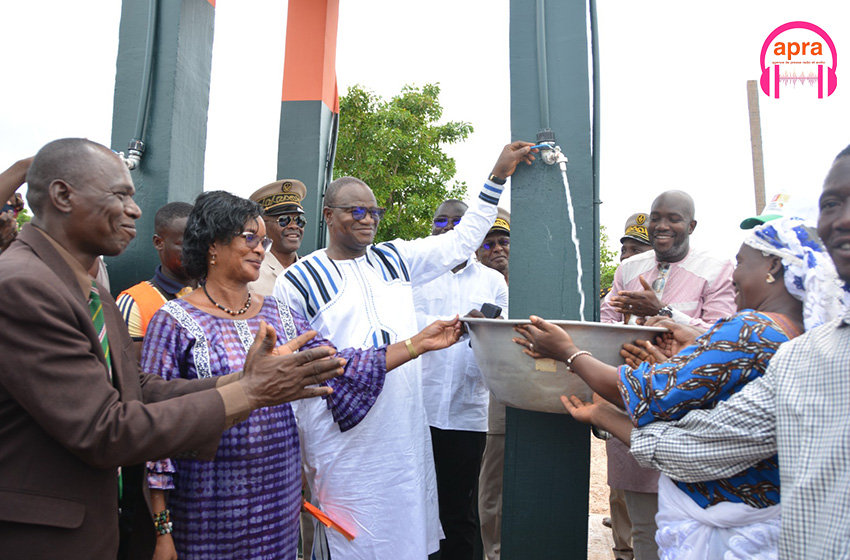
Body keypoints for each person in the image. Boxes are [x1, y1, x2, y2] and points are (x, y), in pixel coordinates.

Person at [0, 138, 348, 559]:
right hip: (45, 540)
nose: (136, 209)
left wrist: (245, 380)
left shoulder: (90, 291)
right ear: (61, 195)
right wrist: (250, 393)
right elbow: (105, 429)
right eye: (121, 194)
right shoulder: (23, 286)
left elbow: (140, 390)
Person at [142, 190, 462, 559]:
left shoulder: (278, 313)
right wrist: (161, 530)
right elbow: (157, 434)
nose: (261, 249)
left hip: (278, 496)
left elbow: (337, 365)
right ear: (213, 243)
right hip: (208, 502)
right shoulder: (175, 321)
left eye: (263, 240)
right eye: (249, 238)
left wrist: (415, 345)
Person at [517, 214, 844, 558]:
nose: (733, 274)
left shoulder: (751, 330)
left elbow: (652, 394)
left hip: (727, 529)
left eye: (742, 262)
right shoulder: (802, 335)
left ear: (773, 267)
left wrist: (568, 352)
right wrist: (687, 359)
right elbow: (715, 402)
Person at [276, 141, 537, 559]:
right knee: (350, 541)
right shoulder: (298, 280)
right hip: (340, 442)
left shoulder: (394, 259)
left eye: (374, 212)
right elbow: (300, 368)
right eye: (355, 211)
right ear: (328, 216)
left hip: (401, 438)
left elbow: (462, 239)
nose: (367, 220)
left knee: (405, 537)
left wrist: (496, 177)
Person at [611, 146, 850, 560]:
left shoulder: (742, 307)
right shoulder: (810, 353)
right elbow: (721, 433)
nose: (662, 225)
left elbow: (719, 345)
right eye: (831, 204)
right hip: (661, 420)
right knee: (642, 525)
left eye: (749, 258)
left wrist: (582, 373)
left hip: (662, 418)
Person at [414, 201, 509, 560]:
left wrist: (481, 329)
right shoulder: (413, 274)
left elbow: (504, 340)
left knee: (459, 514)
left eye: (459, 221)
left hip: (466, 412)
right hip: (416, 411)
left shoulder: (492, 281)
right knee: (416, 508)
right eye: (441, 219)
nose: (449, 227)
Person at [601, 190, 736, 329]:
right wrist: (632, 325)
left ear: (691, 227)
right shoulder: (628, 268)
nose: (661, 226)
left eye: (673, 219)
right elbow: (604, 322)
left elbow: (721, 334)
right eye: (655, 219)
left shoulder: (716, 268)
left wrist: (663, 311)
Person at [605, 212, 653, 560]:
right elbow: (605, 326)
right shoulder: (618, 287)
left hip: (657, 396)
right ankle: (623, 548)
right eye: (625, 249)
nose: (627, 255)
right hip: (621, 392)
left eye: (636, 248)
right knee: (620, 478)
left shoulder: (662, 284)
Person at [474, 209, 512, 560]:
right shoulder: (476, 284)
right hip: (488, 399)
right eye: (489, 244)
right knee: (491, 489)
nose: (498, 248)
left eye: (504, 241)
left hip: (534, 393)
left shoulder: (532, 281)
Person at [117, 202, 196, 360]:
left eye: (198, 242)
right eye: (183, 244)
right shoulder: (134, 302)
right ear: (158, 243)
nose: (193, 250)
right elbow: (131, 374)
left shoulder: (214, 294)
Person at [248, 178, 307, 294]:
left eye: (299, 220)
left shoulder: (312, 269)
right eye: (284, 220)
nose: (294, 226)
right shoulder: (252, 271)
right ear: (263, 225)